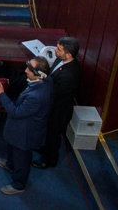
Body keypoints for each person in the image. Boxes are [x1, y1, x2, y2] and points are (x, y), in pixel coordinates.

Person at [0, 56, 52, 195]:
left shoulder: (36, 96)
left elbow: (15, 112)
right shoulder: (44, 82)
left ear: (38, 75)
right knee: (13, 151)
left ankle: (19, 184)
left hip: (25, 134)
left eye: (29, 69)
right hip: (19, 130)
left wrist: (1, 94)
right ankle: (10, 164)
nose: (25, 71)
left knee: (22, 159)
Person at [34, 37, 81, 169]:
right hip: (53, 106)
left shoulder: (69, 75)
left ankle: (49, 160)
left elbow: (56, 94)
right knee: (49, 134)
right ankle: (46, 149)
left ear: (69, 54)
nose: (55, 50)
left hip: (58, 111)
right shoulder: (61, 60)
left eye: (59, 49)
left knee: (53, 135)